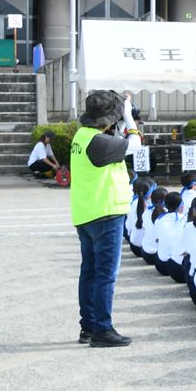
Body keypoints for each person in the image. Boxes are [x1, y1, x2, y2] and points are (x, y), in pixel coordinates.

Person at [69, 90, 142, 347]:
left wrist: (119, 121)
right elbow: (136, 144)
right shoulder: (99, 144)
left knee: (89, 272)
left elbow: (115, 142)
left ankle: (88, 327)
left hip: (86, 212)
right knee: (105, 275)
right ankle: (102, 329)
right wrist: (129, 116)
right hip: (106, 212)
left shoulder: (83, 136)